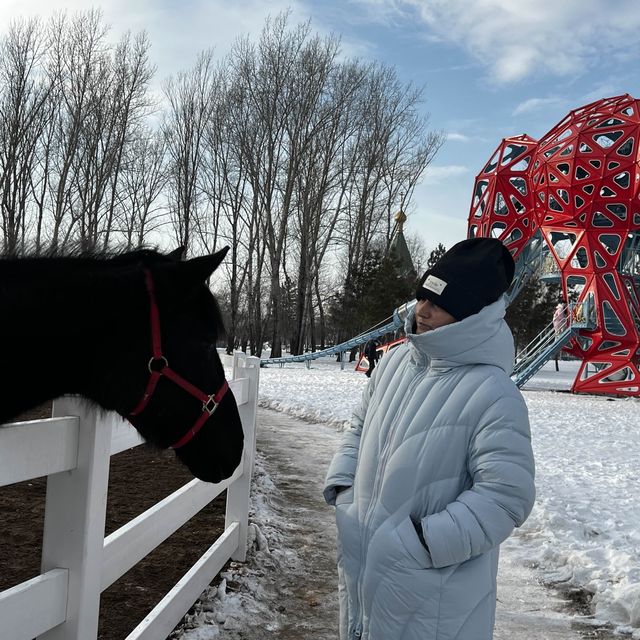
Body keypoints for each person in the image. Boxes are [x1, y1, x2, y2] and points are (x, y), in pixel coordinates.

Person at [323, 237, 536, 640]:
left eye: (439, 303)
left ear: (471, 314)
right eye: (422, 296)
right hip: (364, 571)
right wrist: (343, 490)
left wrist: (421, 543)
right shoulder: (397, 362)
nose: (422, 310)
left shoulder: (493, 391)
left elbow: (507, 496)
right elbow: (359, 426)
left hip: (435, 594)